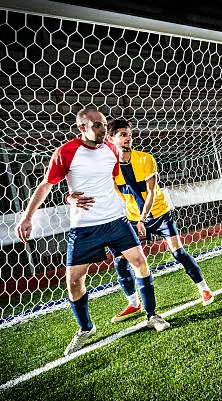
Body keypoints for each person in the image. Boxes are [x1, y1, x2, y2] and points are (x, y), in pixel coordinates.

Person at [15, 107, 170, 356]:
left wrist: (136, 212)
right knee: (73, 281)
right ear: (82, 128)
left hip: (116, 220)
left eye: (103, 124)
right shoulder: (65, 152)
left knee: (140, 262)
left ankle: (152, 315)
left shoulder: (111, 149)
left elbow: (111, 181)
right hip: (84, 227)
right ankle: (86, 328)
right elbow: (46, 184)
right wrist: (30, 215)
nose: (102, 129)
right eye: (96, 125)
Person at [103, 119, 214, 322]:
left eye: (129, 133)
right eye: (122, 134)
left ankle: (205, 289)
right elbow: (116, 191)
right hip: (133, 219)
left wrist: (143, 218)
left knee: (178, 252)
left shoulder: (145, 159)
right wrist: (130, 213)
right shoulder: (110, 167)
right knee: (120, 261)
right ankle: (134, 303)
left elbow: (152, 191)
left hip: (159, 214)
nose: (128, 138)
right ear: (111, 139)